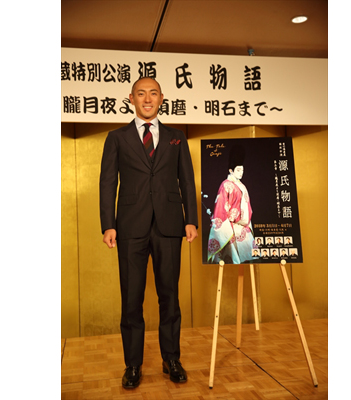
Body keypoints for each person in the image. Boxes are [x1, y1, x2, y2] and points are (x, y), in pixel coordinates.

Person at [99, 77, 198, 389]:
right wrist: (108, 224)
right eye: (141, 93)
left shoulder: (176, 137)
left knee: (170, 296)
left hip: (170, 225)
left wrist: (191, 220)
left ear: (161, 98)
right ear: (131, 98)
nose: (147, 99)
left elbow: (187, 180)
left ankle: (171, 359)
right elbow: (107, 182)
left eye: (153, 93)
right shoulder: (117, 137)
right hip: (130, 227)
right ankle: (133, 364)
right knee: (132, 298)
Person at [206, 145, 257, 264]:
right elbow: (220, 207)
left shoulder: (242, 186)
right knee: (233, 261)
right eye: (238, 170)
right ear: (231, 170)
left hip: (243, 228)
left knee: (250, 259)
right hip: (231, 229)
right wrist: (222, 225)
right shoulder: (226, 185)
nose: (241, 173)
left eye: (242, 170)